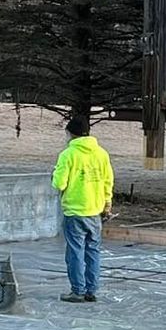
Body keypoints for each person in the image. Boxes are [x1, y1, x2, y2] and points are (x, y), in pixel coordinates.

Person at [52, 115, 113, 303]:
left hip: (74, 211)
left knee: (75, 251)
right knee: (93, 250)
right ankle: (91, 290)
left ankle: (77, 290)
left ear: (70, 133)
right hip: (95, 211)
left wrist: (56, 174)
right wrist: (107, 205)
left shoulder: (68, 155)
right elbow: (108, 181)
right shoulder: (101, 153)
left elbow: (59, 184)